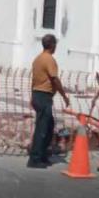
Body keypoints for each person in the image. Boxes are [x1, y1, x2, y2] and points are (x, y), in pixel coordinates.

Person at [28, 33, 70, 168]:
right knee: (42, 128)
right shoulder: (49, 59)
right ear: (52, 45)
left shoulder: (37, 59)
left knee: (49, 125)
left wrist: (31, 96)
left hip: (37, 94)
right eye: (55, 44)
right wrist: (64, 95)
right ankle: (35, 158)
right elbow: (54, 79)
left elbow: (34, 79)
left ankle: (43, 154)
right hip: (44, 95)